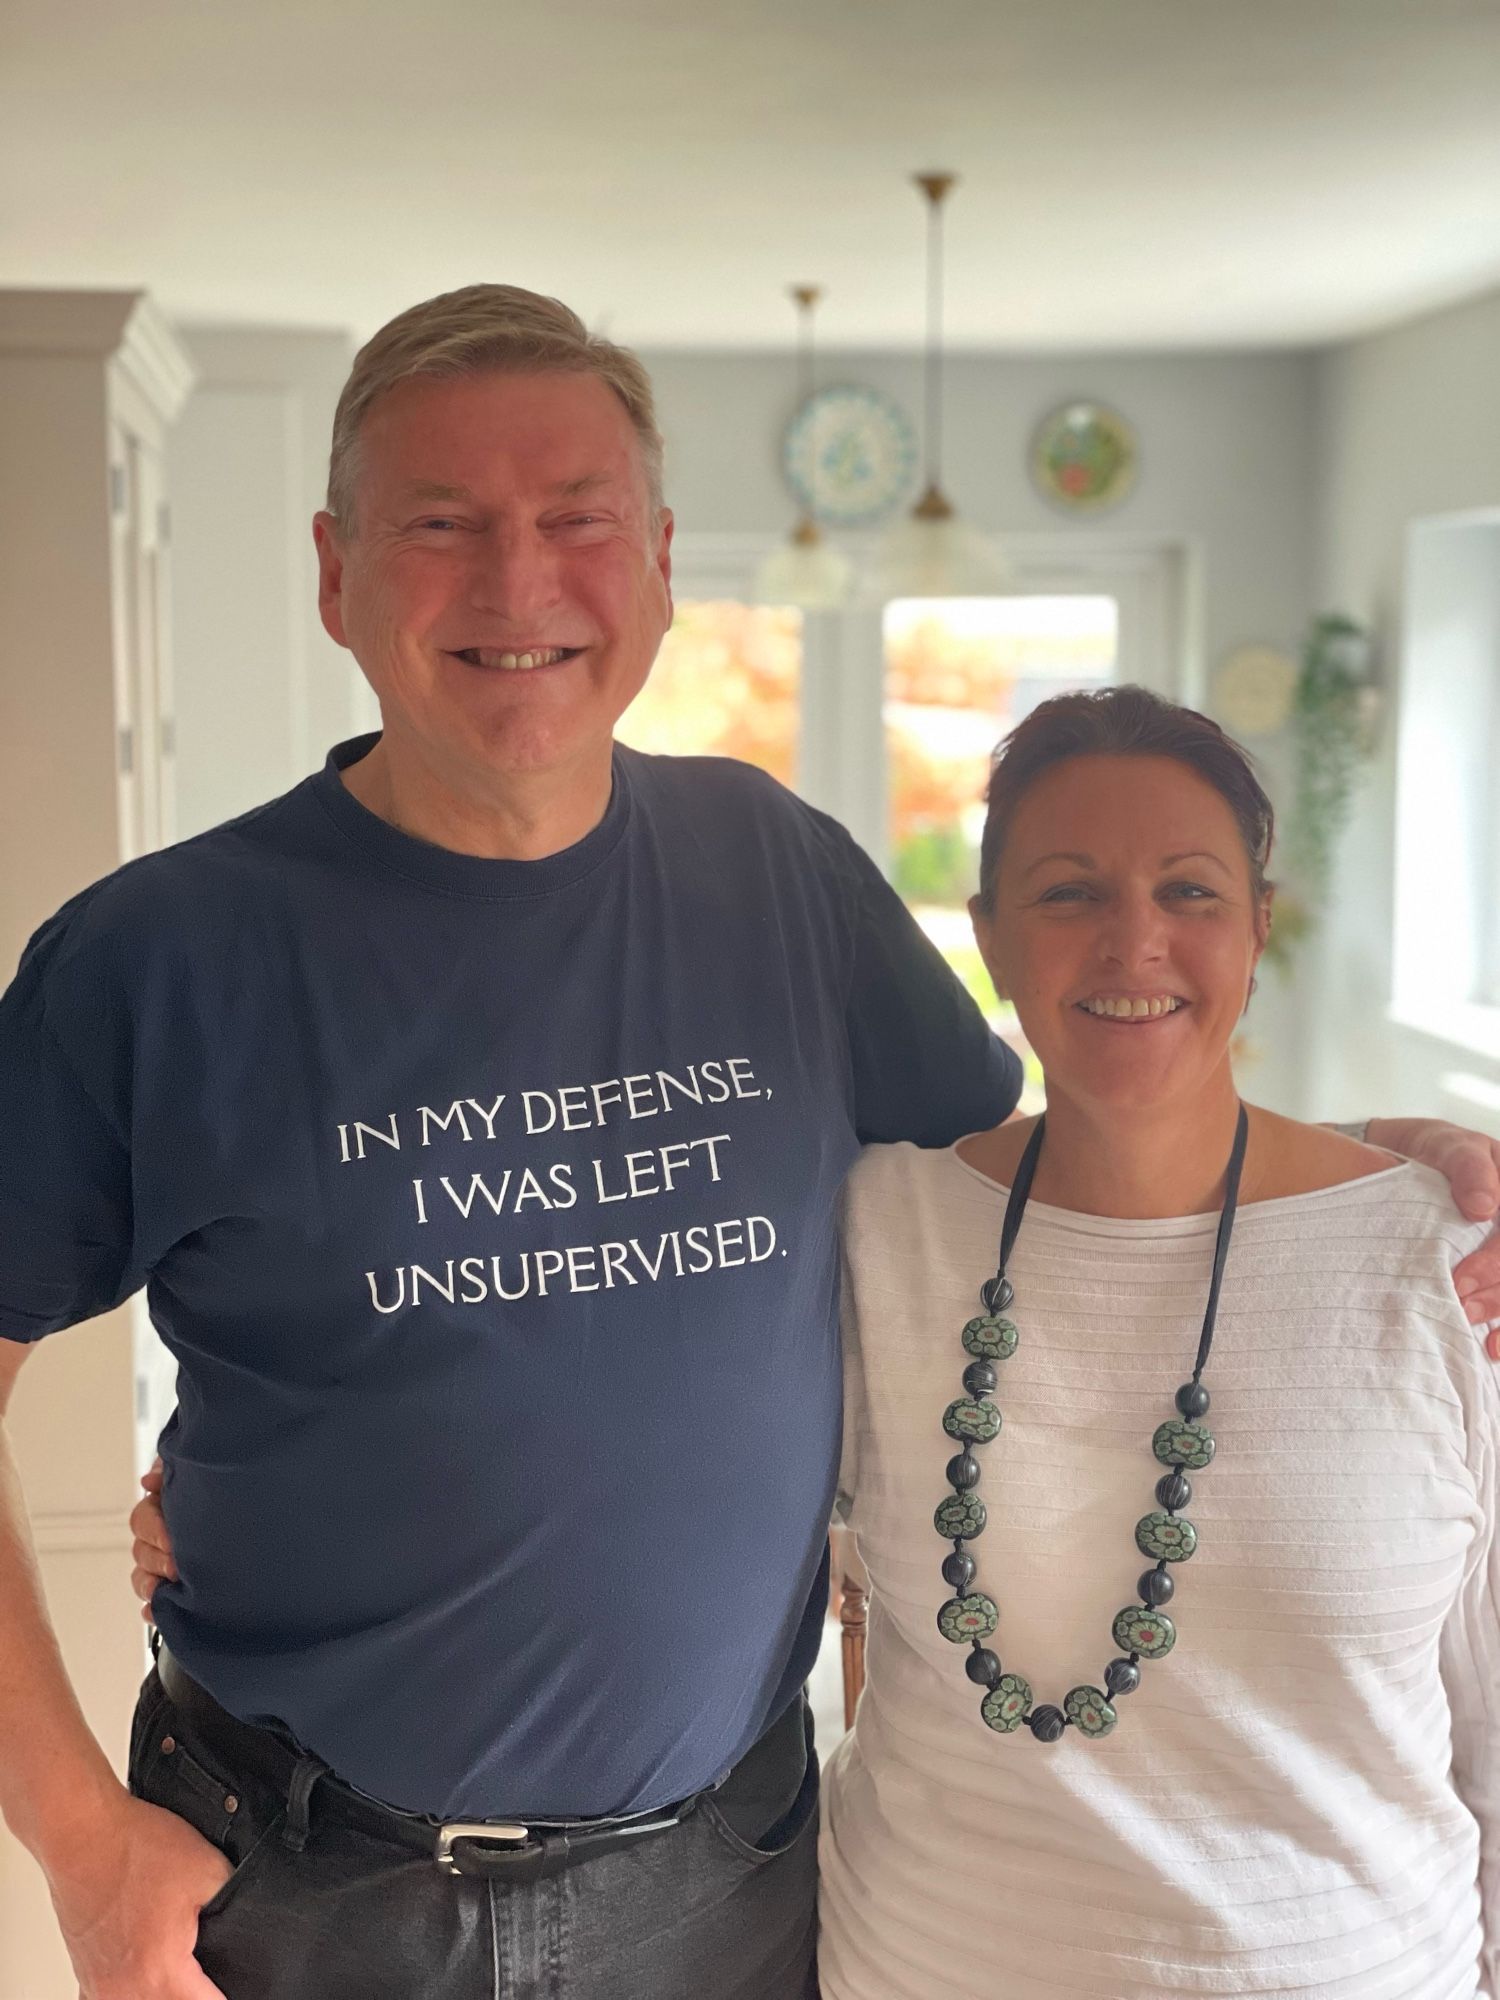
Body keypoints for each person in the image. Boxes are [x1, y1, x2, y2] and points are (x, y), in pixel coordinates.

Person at [3, 287, 1496, 2000]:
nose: (517, 583)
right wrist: (71, 1834)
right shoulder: (156, 959)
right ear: (338, 574)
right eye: (443, 526)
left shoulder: (770, 870)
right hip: (305, 1884)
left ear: (653, 563)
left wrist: (1345, 1166)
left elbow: (1036, 1177)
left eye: (575, 521)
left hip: (728, 1889)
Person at [816, 686, 1500, 1998]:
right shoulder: (873, 1230)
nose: (1135, 941)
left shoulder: (1447, 1258)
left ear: (1257, 934)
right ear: (990, 940)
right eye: (1070, 893)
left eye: (1190, 892)